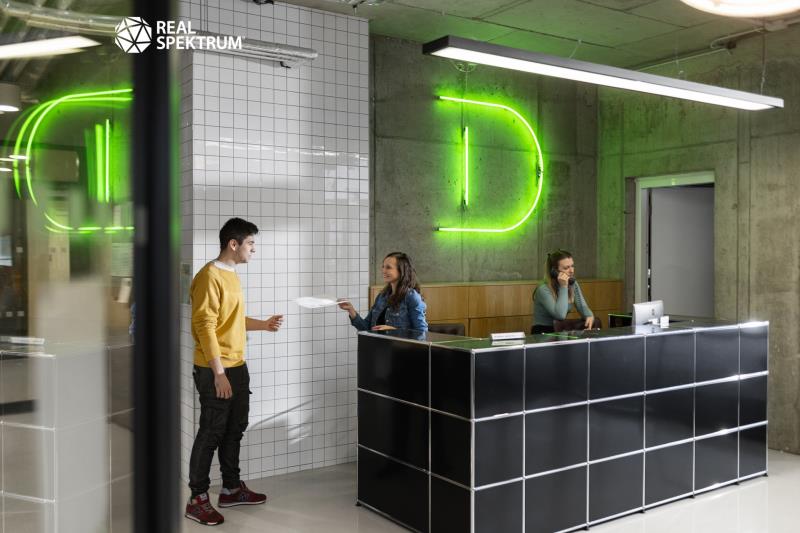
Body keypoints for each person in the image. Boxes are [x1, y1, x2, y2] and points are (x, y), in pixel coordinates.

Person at [185, 217, 284, 526]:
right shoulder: (208, 277)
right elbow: (205, 326)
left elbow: (231, 320)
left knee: (234, 429)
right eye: (250, 244)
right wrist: (218, 373)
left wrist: (263, 325)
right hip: (215, 369)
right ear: (233, 244)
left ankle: (230, 488)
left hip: (237, 366)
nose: (253, 249)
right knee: (211, 432)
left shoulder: (231, 275)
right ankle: (197, 499)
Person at [338, 251, 428, 332]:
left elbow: (422, 333)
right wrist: (351, 310)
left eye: (388, 267)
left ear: (401, 271)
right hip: (378, 344)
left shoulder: (412, 297)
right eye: (383, 267)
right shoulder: (381, 296)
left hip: (398, 346)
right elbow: (366, 328)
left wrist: (394, 331)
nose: (383, 271)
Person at [532, 249, 594, 334]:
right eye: (566, 268)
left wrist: (589, 315)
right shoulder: (543, 289)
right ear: (554, 271)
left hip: (560, 330)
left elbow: (582, 307)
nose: (571, 271)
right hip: (543, 332)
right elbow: (560, 315)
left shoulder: (572, 283)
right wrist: (563, 286)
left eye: (572, 266)